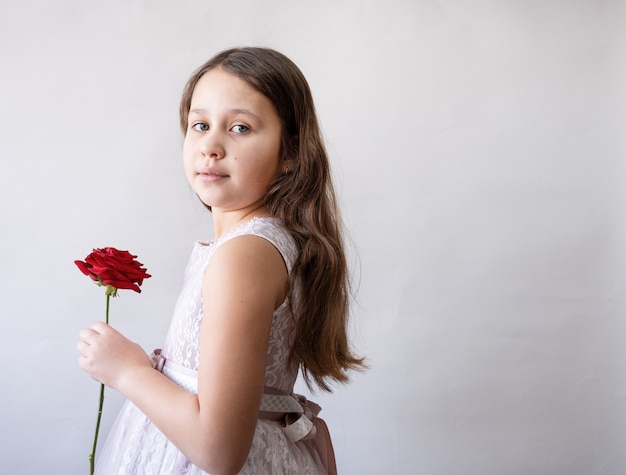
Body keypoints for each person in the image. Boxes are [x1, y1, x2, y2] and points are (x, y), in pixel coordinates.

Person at [77, 46, 365, 475]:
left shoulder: (245, 255)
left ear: (290, 154)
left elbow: (218, 451)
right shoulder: (251, 247)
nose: (211, 145)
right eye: (200, 124)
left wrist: (127, 372)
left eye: (240, 127)